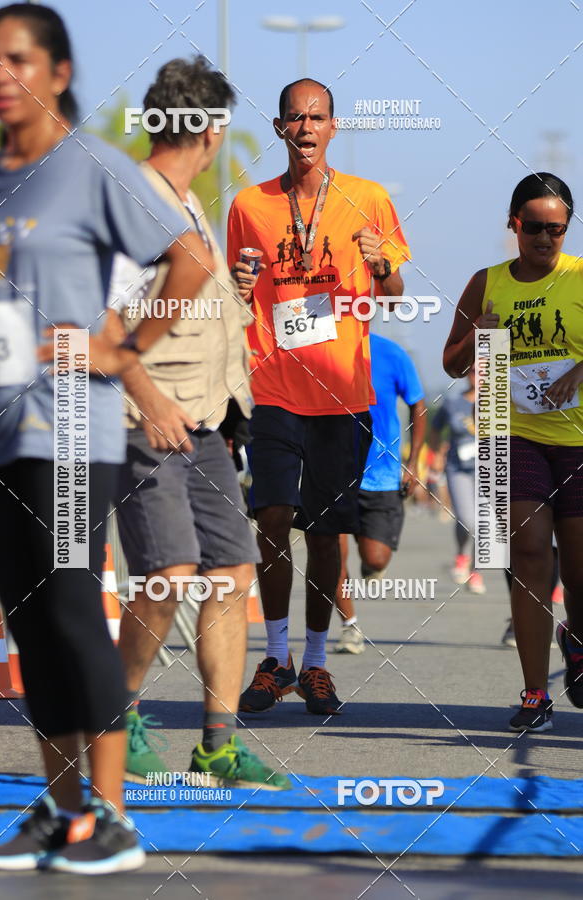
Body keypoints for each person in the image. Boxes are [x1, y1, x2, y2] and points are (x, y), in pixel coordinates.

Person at [0, 4, 212, 874]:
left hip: (74, 429)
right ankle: (63, 808)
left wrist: (123, 349)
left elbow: (188, 260)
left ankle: (112, 816)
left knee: (75, 613)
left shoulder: (87, 166)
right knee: (32, 627)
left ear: (58, 72)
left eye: (17, 59)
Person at [111, 57, 289, 790]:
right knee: (168, 573)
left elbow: (171, 305)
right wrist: (146, 398)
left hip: (209, 420)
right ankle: (113, 720)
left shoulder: (185, 203)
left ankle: (217, 744)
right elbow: (95, 315)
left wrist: (231, 294)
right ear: (212, 131)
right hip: (145, 417)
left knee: (233, 571)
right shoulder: (133, 199)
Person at [228, 78, 410, 714]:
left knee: (327, 533)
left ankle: (315, 663)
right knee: (273, 517)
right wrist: (237, 284)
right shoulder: (249, 204)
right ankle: (275, 658)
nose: (306, 128)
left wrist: (380, 264)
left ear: (334, 127)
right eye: (295, 118)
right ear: (280, 128)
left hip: (342, 396)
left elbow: (394, 297)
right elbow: (236, 294)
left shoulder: (369, 199)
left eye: (317, 117)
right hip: (274, 390)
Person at [443, 171, 583, 733]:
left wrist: (578, 371)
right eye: (534, 227)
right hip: (510, 432)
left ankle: (576, 639)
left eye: (556, 229)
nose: (545, 238)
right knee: (528, 556)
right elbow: (452, 363)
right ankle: (534, 694)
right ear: (514, 224)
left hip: (577, 440)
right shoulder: (487, 282)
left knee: (578, 568)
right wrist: (476, 334)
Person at [334, 334, 426, 653]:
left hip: (383, 475)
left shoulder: (391, 352)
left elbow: (418, 404)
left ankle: (370, 557)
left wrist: (413, 462)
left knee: (375, 558)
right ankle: (349, 627)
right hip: (335, 473)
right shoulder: (323, 348)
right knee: (333, 557)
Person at [429, 367, 486, 594]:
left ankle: (475, 571)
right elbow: (435, 430)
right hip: (458, 469)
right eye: (473, 371)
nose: (477, 376)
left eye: (482, 372)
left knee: (484, 523)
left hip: (489, 470)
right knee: (467, 519)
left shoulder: (500, 403)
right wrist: (436, 455)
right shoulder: (452, 402)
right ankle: (462, 554)